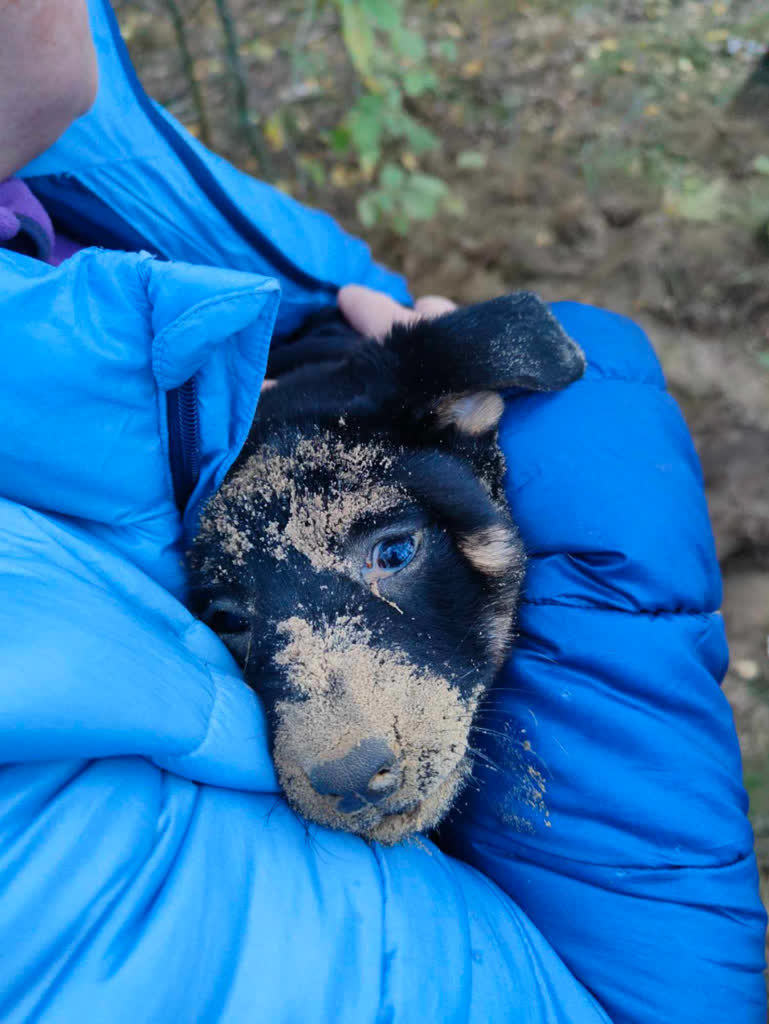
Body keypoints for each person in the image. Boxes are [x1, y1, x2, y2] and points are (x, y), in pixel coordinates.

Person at [0, 1, 765, 1021]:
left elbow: (241, 229)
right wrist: (587, 436)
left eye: (391, 548)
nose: (343, 746)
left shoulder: (55, 110)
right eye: (230, 620)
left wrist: (347, 316)